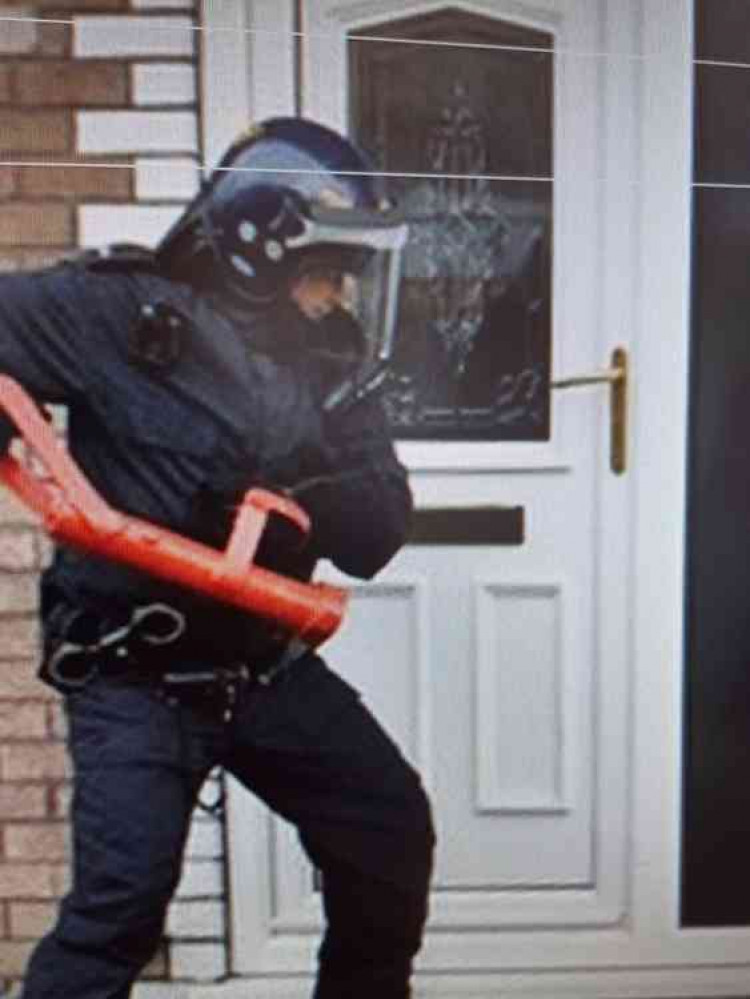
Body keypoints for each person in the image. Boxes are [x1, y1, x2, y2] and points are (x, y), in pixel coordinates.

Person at [3, 118, 435, 999]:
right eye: (331, 266)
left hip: (259, 669)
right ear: (261, 240)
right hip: (135, 671)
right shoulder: (118, 312)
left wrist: (313, 493)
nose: (344, 290)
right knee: (119, 907)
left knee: (385, 824)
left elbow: (379, 532)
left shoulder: (334, 360)